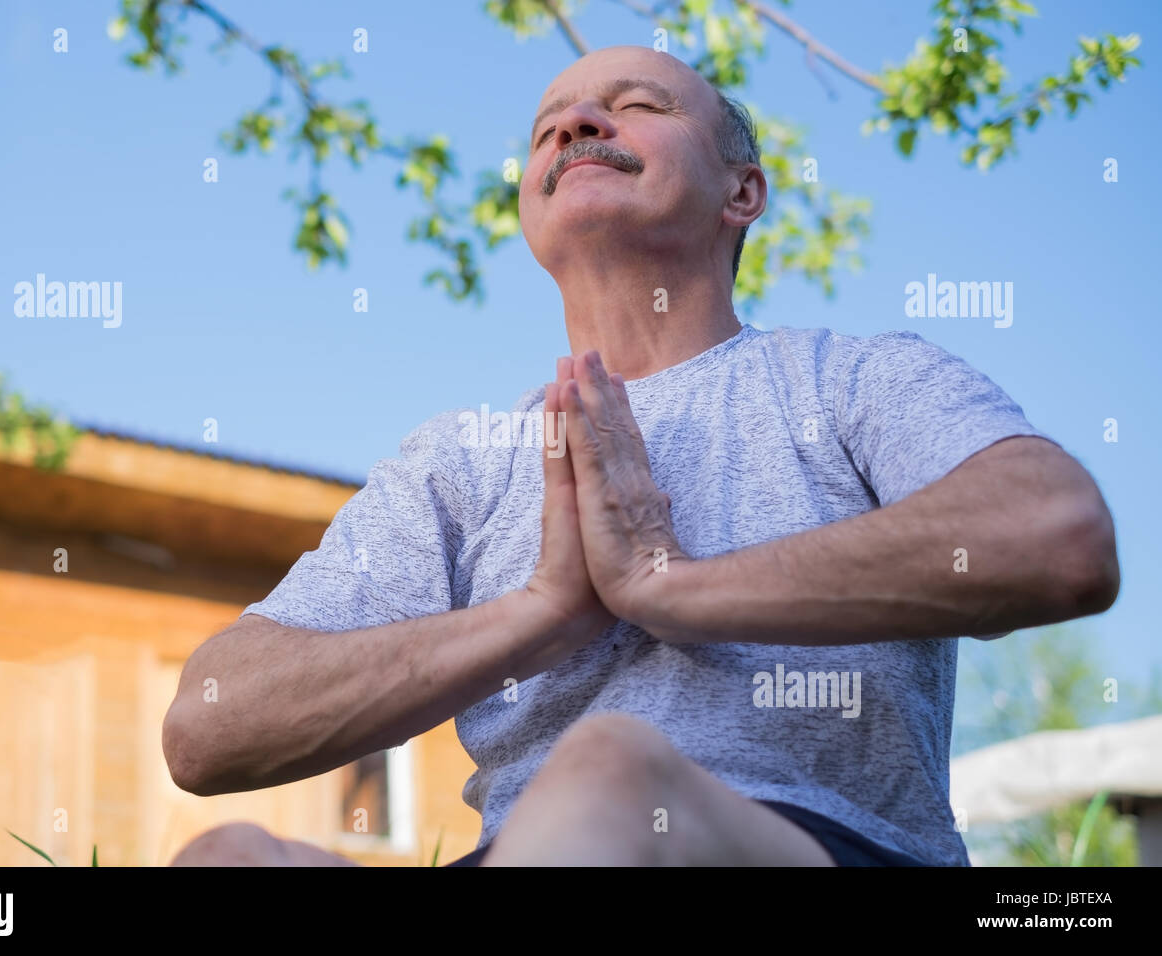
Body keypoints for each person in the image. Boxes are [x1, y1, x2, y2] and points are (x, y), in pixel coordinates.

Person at [162, 45, 1119, 867]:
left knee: (610, 768)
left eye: (636, 106)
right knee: (229, 858)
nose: (575, 122)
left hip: (825, 847)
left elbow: (1056, 535)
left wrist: (670, 585)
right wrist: (539, 615)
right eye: (547, 128)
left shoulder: (852, 381)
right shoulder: (458, 461)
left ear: (741, 191)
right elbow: (206, 726)